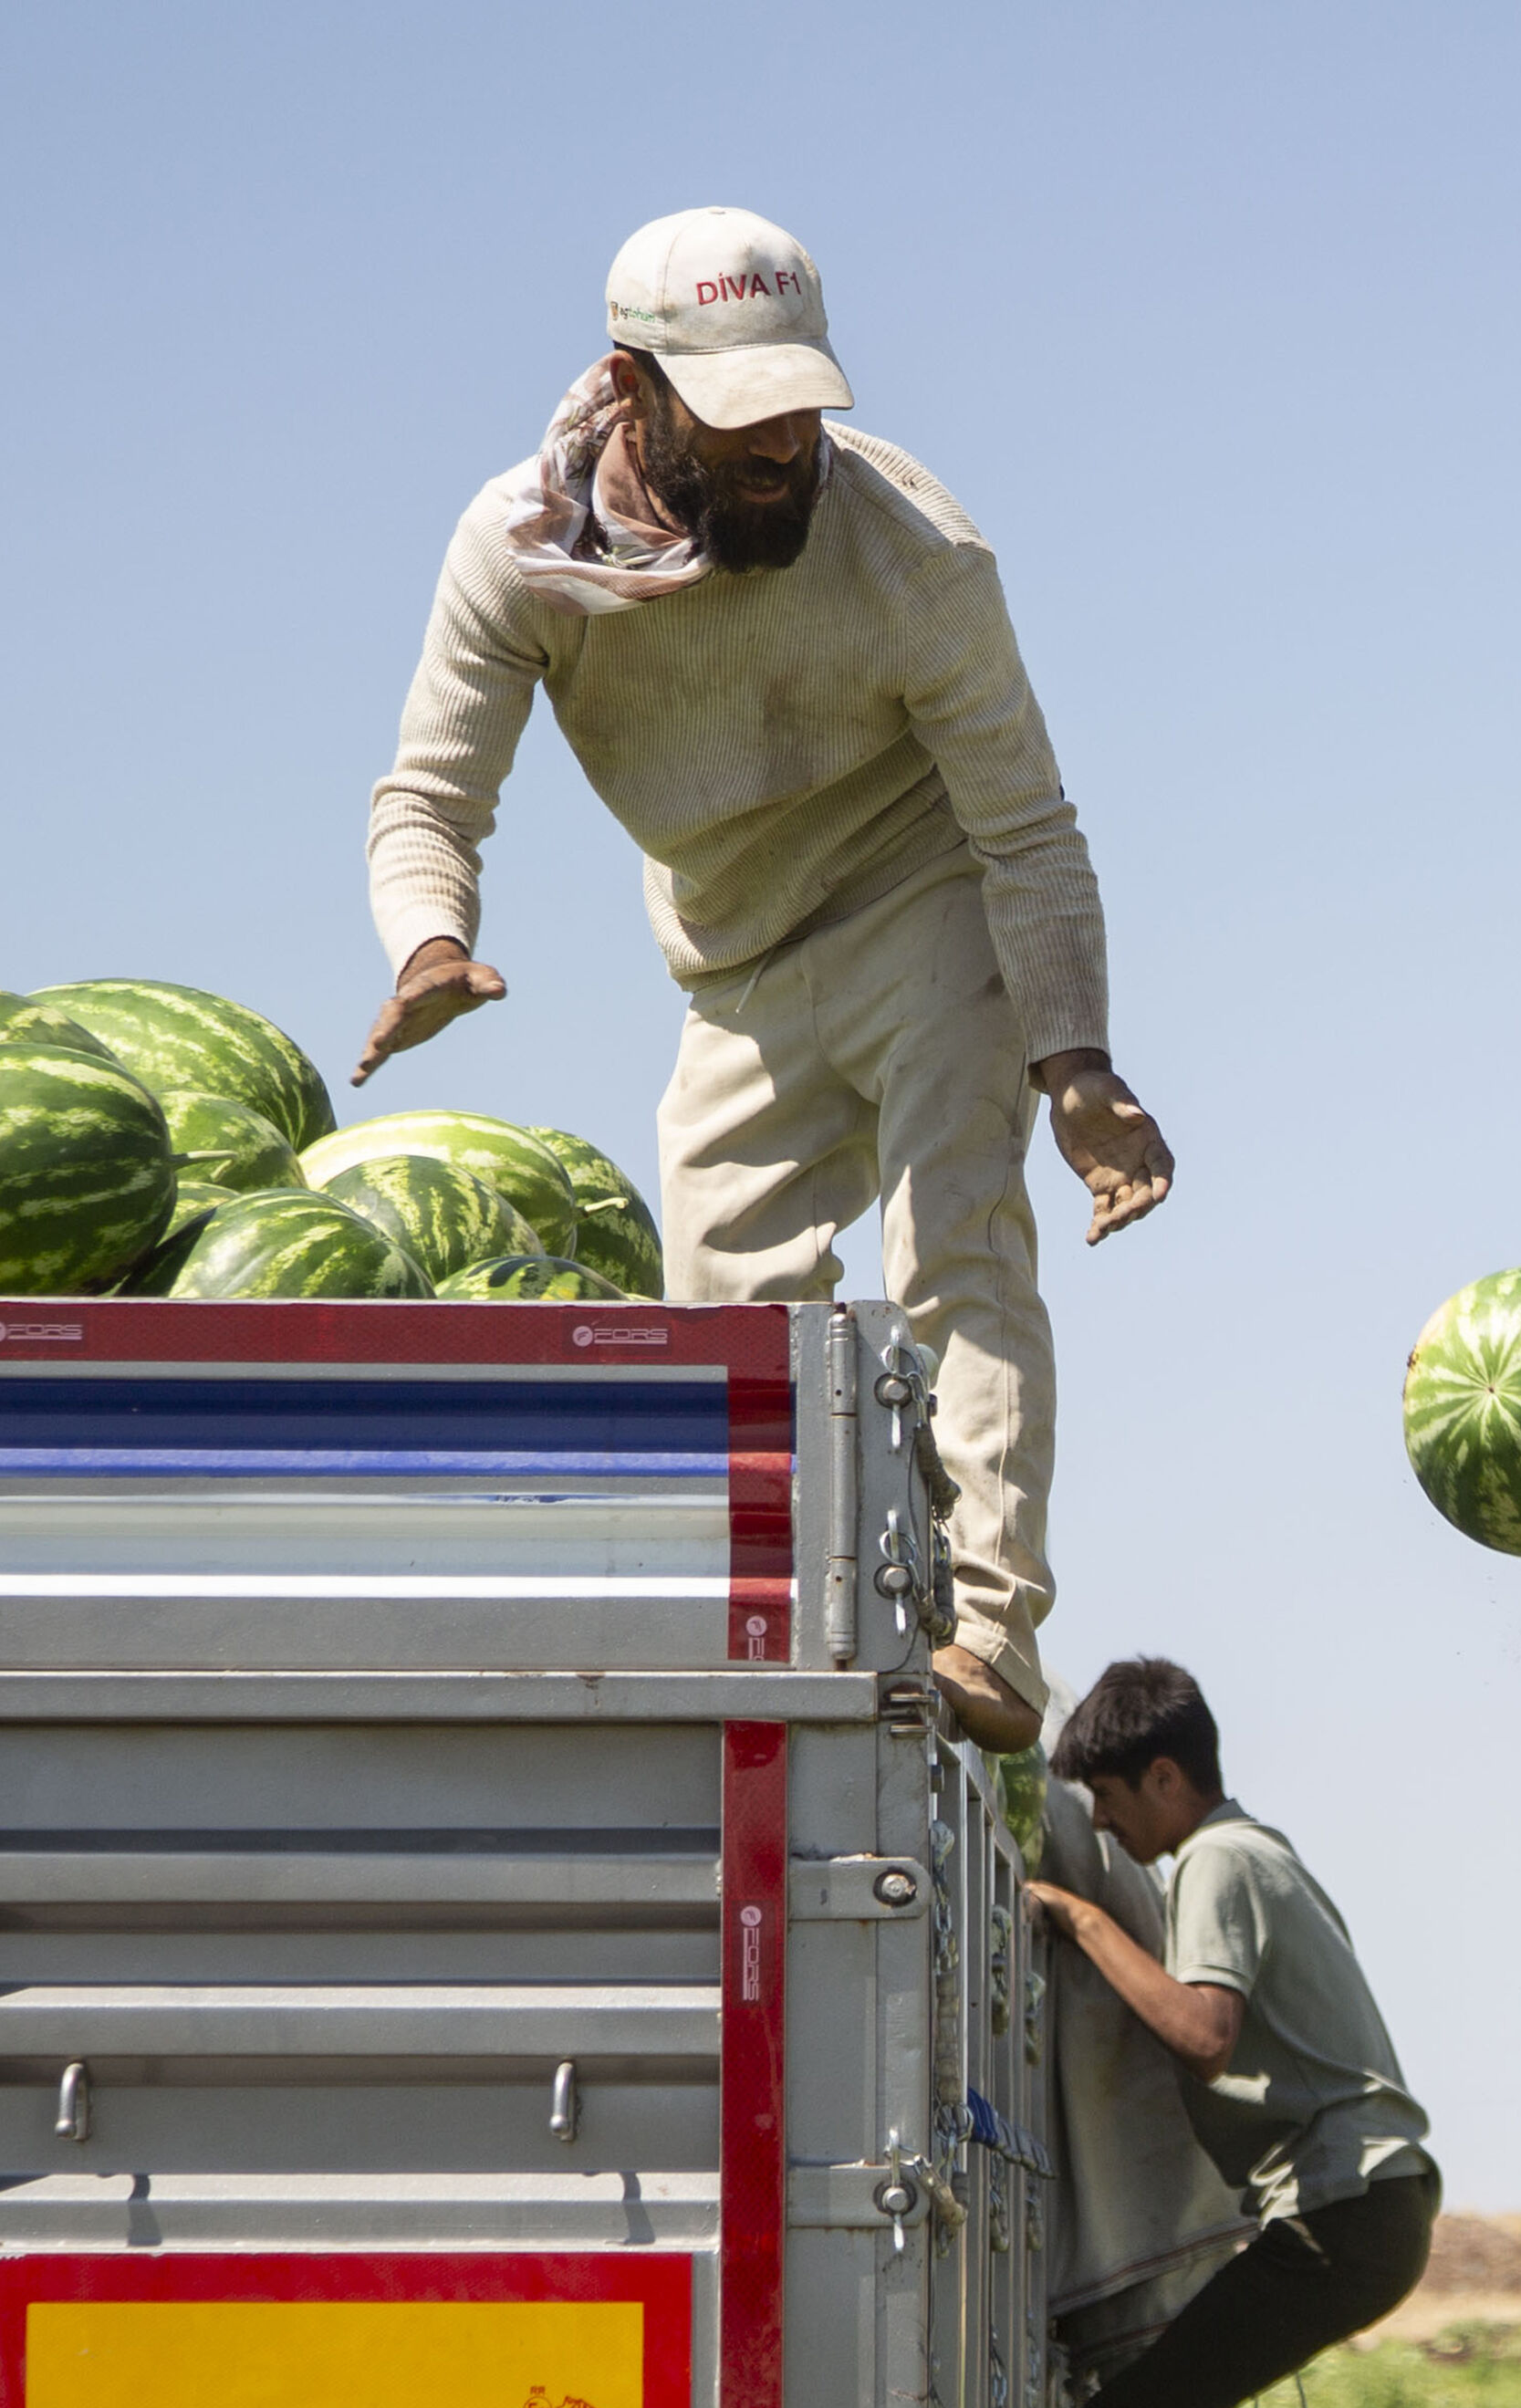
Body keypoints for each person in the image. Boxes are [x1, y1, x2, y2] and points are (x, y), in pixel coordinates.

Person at [359, 205, 1172, 1755]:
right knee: (727, 1321)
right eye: (743, 425)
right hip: (734, 961)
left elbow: (1029, 828)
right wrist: (430, 937)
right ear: (634, 389)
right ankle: (787, 1638)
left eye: (803, 411)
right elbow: (426, 797)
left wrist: (1075, 1058)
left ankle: (990, 1627)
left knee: (957, 1240)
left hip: (927, 894)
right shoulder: (519, 554)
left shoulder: (917, 552)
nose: (784, 451)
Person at [1020, 1658, 1436, 2408]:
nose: (1100, 1822)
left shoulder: (1219, 1859)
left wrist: (1083, 1916)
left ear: (1165, 1773)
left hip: (1345, 2210)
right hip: (1366, 2209)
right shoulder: (1257, 1852)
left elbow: (1202, 2031)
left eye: (1107, 1798)